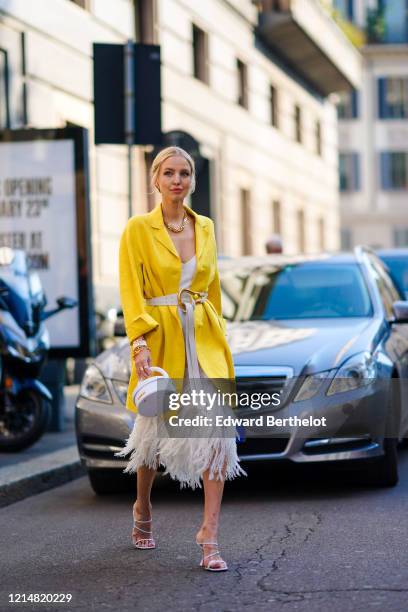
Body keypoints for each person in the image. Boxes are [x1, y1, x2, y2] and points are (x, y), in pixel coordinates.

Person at [114, 146, 246, 572]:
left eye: (184, 173)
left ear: (192, 180)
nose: (177, 180)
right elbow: (131, 290)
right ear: (155, 179)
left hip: (204, 341)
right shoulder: (138, 229)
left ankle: (209, 534)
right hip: (162, 340)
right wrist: (139, 343)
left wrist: (220, 333)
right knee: (151, 439)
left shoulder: (205, 226)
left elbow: (214, 287)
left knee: (217, 438)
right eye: (169, 173)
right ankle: (142, 508)